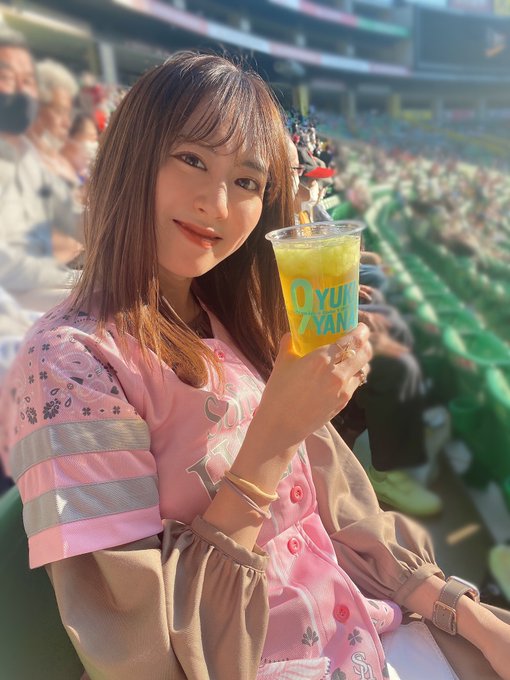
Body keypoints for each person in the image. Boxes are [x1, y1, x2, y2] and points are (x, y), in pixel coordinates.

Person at [1, 52, 509, 680]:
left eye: (246, 181)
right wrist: (274, 436)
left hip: (362, 629)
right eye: (192, 159)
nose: (217, 203)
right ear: (132, 155)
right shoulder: (68, 367)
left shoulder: (230, 319)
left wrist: (467, 615)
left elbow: (338, 514)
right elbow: (143, 655)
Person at [0, 29, 82, 313]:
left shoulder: (25, 155)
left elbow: (71, 218)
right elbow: (10, 268)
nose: (23, 93)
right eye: (8, 78)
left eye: (27, 81)